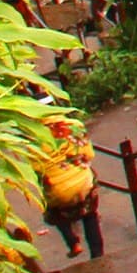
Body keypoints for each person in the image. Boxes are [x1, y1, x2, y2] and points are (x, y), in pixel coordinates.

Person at [38, 108, 105, 260]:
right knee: (90, 215)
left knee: (54, 211)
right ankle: (98, 255)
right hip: (83, 182)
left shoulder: (35, 137)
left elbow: (36, 168)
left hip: (57, 190)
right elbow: (89, 154)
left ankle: (73, 243)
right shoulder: (75, 126)